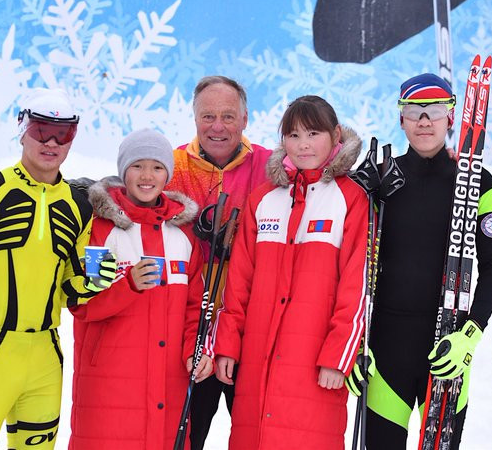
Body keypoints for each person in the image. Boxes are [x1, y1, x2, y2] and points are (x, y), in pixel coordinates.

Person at [0, 88, 116, 449]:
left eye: (63, 134)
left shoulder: (80, 205)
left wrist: (93, 283)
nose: (51, 142)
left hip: (45, 356)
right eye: (40, 130)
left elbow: (69, 285)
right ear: (22, 128)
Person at [346, 73, 492, 449]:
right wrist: (350, 344)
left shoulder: (478, 182)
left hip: (447, 347)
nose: (424, 121)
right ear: (400, 118)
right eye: (413, 111)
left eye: (434, 110)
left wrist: (470, 335)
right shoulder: (377, 178)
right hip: (384, 351)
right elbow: (343, 261)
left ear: (451, 117)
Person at [213, 95, 368, 449]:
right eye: (293, 136)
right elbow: (239, 282)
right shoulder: (264, 199)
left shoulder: (351, 199)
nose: (303, 145)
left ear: (335, 136)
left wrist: (338, 355)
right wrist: (228, 346)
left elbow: (357, 286)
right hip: (257, 360)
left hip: (316, 364)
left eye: (313, 134)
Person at [68, 128, 212, 449]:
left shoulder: (183, 235)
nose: (147, 176)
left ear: (167, 175)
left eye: (157, 167)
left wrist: (195, 351)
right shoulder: (102, 229)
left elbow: (194, 309)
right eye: (137, 166)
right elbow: (84, 304)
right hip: (109, 389)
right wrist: (128, 285)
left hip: (168, 388)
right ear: (123, 171)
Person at [165, 75, 272, 449]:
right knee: (185, 434)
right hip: (188, 326)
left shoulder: (272, 167)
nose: (217, 126)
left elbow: (321, 176)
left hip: (249, 322)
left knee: (254, 435)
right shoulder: (170, 166)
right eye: (207, 116)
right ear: (194, 118)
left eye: (228, 116)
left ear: (245, 119)